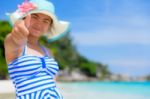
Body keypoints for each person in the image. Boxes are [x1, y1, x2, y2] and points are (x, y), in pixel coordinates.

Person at [4, 0, 70, 98]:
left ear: (49, 26)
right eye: (35, 17)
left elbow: (53, 82)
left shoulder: (48, 52)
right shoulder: (18, 47)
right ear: (24, 18)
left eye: (45, 21)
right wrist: (17, 33)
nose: (39, 23)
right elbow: (13, 40)